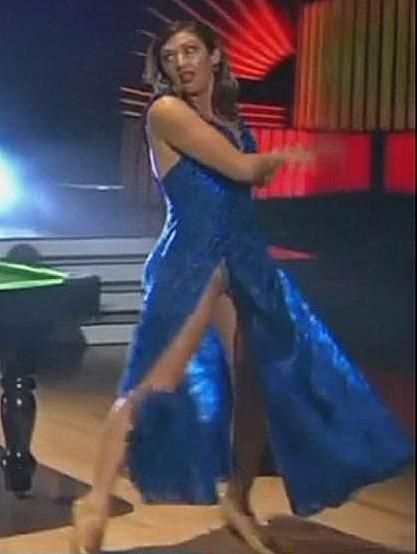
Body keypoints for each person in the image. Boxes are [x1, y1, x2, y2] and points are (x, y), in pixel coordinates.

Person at [70, 20, 413, 554]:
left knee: (256, 380)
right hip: (193, 258)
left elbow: (243, 189)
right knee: (158, 381)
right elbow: (241, 168)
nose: (180, 63)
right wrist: (288, 159)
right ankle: (94, 501)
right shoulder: (166, 112)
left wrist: (272, 175)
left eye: (190, 51)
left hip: (243, 256)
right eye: (170, 57)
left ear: (214, 57)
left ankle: (239, 499)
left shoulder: (230, 116)